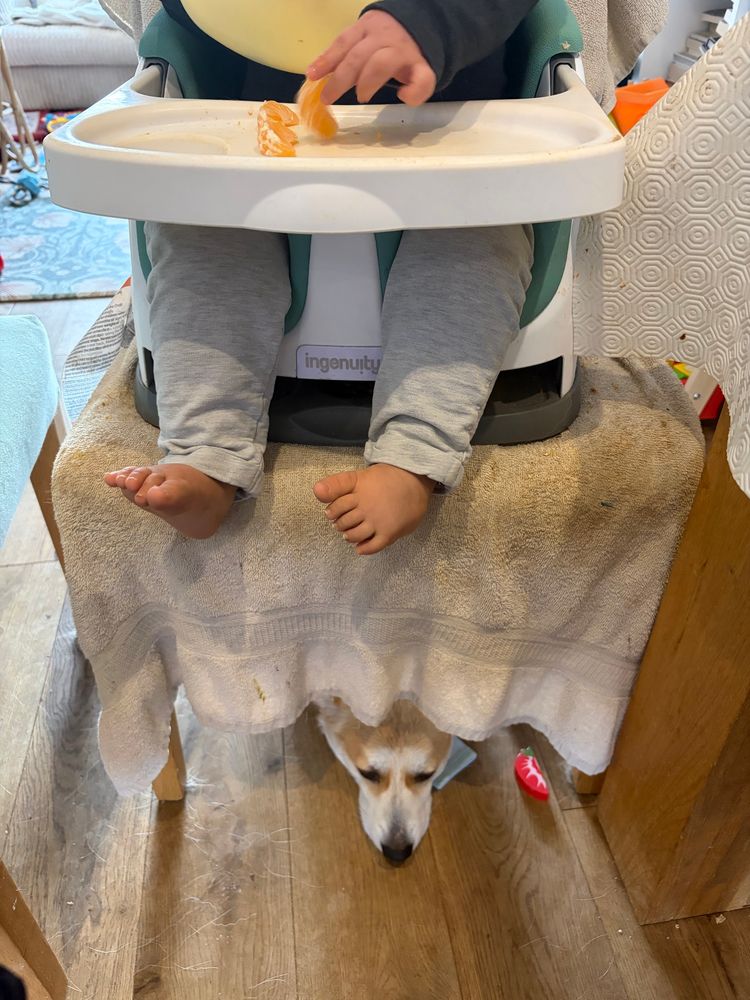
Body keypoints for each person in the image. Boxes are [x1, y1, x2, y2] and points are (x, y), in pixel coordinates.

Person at [106, 0, 537, 554]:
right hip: (261, 136)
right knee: (201, 235)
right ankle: (203, 455)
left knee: (477, 246)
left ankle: (413, 457)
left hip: (457, 136)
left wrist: (428, 22)